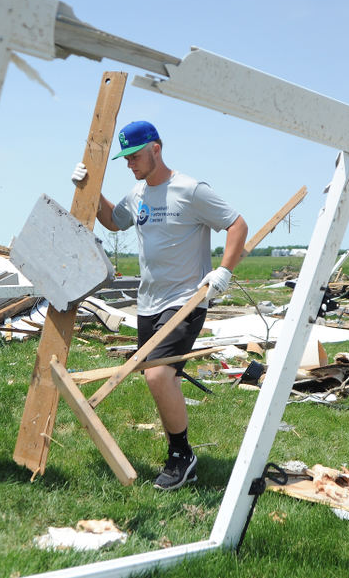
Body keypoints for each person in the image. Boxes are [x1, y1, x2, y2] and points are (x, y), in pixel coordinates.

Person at [71, 120, 247, 491]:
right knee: (161, 380)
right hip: (148, 303)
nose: (130, 164)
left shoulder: (190, 189)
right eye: (125, 159)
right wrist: (91, 188)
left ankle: (182, 456)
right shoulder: (136, 195)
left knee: (158, 375)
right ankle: (180, 451)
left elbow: (237, 224)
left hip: (185, 299)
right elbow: (112, 221)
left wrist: (223, 272)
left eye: (134, 156)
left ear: (156, 148)